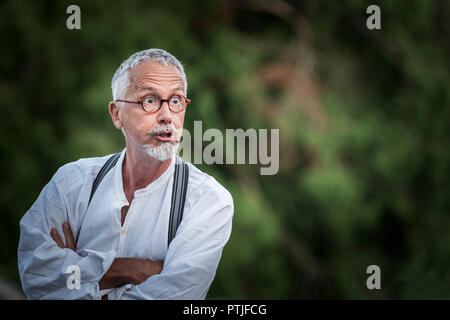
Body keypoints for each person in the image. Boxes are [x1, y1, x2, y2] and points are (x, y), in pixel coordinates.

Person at [17, 49, 234, 300]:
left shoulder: (208, 201)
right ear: (116, 114)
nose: (167, 116)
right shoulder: (72, 182)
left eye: (176, 101)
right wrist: (130, 269)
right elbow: (35, 273)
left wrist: (78, 268)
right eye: (149, 100)